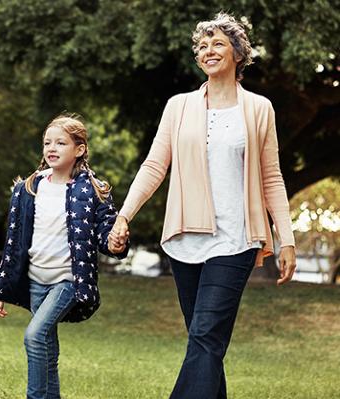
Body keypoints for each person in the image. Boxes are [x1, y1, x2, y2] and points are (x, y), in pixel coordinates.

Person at [108, 12, 297, 399]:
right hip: (185, 239)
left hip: (237, 238)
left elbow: (272, 178)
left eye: (217, 44)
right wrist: (124, 215)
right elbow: (154, 165)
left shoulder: (260, 109)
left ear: (238, 54)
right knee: (205, 343)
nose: (208, 51)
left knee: (206, 337)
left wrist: (287, 238)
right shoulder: (178, 107)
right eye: (202, 46)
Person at [0, 115, 128, 399]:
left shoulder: (91, 190)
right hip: (36, 281)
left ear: (79, 149)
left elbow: (105, 234)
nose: (51, 148)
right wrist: (1, 284)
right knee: (47, 351)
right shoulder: (28, 188)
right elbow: (14, 241)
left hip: (67, 282)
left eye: (61, 143)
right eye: (47, 142)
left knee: (34, 336)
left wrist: (115, 243)